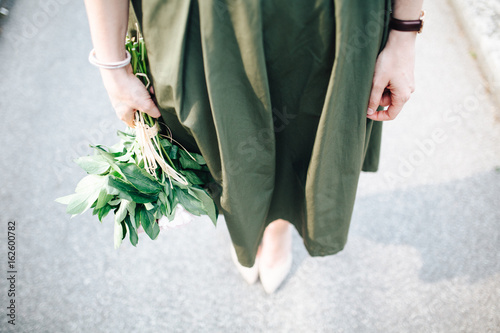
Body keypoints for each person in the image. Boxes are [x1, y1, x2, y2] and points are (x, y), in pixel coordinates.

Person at [83, 0, 424, 294]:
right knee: (224, 132)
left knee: (303, 123)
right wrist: (113, 68)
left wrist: (404, 31)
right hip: (205, 18)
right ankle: (251, 221)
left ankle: (276, 223)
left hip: (326, 16)